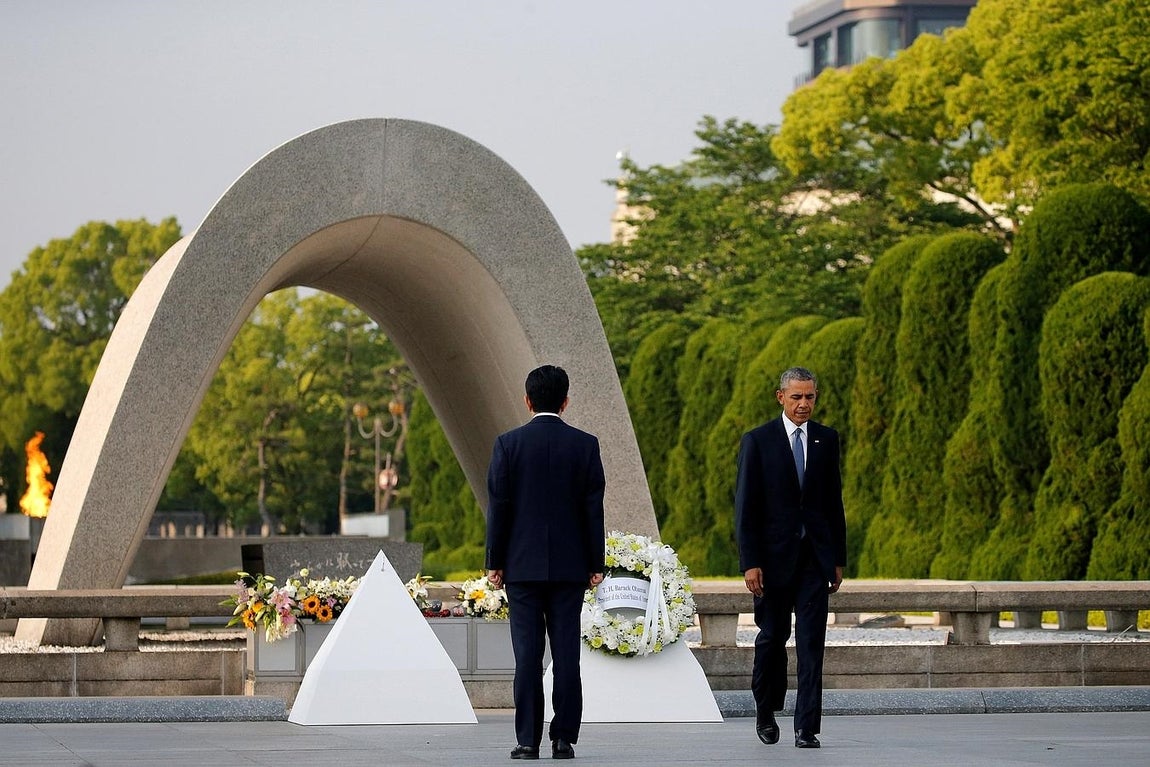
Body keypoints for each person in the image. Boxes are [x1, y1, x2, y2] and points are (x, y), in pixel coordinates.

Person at [485, 365, 606, 761]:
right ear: (566, 401)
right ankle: (563, 738)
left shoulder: (508, 445)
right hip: (571, 569)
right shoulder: (585, 445)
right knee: (567, 655)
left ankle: (526, 741)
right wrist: (595, 563)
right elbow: (593, 510)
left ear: (527, 399)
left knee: (527, 656)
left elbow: (499, 508)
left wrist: (495, 562)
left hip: (521, 568)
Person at [734, 366, 846, 749]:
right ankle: (766, 710)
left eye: (810, 396)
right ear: (780, 396)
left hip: (815, 560)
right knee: (772, 639)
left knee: (812, 643)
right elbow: (745, 508)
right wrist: (750, 561)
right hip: (771, 563)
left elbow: (834, 503)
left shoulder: (827, 440)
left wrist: (838, 558)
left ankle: (806, 727)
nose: (804, 404)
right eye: (796, 397)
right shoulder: (758, 441)